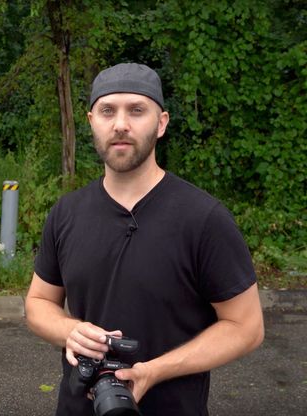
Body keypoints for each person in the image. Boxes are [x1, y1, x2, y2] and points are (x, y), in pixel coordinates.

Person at [25, 63, 264, 414]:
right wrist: (68, 330)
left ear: (161, 122)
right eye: (108, 110)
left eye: (137, 110)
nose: (121, 124)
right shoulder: (66, 213)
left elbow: (247, 327)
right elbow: (38, 303)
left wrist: (155, 371)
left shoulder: (203, 218)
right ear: (92, 120)